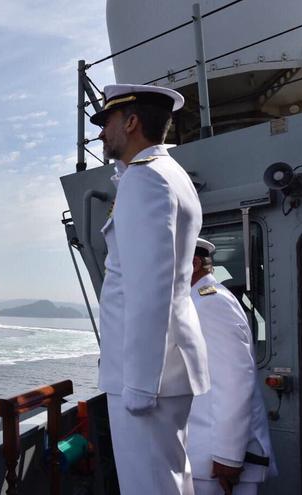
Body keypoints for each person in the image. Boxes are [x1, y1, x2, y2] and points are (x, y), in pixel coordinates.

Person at [91, 84, 209, 494]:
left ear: (132, 121)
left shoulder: (145, 181)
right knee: (170, 480)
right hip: (166, 366)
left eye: (106, 123)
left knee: (151, 487)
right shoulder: (170, 174)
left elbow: (149, 290)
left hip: (144, 377)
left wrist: (141, 384)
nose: (101, 134)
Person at [188, 238, 277, 495]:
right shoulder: (199, 301)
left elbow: (235, 381)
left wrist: (228, 457)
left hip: (216, 461)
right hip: (205, 454)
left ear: (193, 264)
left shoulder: (210, 303)